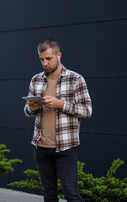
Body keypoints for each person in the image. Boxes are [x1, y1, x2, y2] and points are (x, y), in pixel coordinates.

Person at [24, 38, 92, 202]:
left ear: (59, 55)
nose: (45, 63)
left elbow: (87, 110)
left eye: (49, 59)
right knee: (49, 195)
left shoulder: (75, 79)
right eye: (42, 59)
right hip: (41, 146)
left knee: (72, 195)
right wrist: (32, 108)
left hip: (65, 147)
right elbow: (27, 111)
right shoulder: (36, 80)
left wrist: (61, 104)